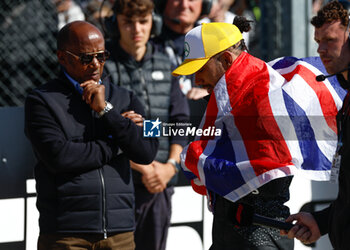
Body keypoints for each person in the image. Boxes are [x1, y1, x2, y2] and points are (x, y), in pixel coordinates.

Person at [24, 20, 158, 250]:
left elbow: (148, 150)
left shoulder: (127, 96)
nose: (96, 64)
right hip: (65, 234)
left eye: (102, 55)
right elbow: (60, 157)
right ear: (62, 57)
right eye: (86, 58)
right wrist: (116, 143)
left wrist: (107, 111)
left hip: (120, 232)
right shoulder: (41, 100)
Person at [172, 20, 295, 250]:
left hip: (261, 240)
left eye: (200, 69)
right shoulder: (221, 103)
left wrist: (196, 157)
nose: (196, 80)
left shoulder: (264, 96)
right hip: (229, 237)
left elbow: (271, 178)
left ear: (227, 60)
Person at [103, 1, 190, 250]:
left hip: (159, 186)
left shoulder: (167, 63)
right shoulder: (104, 67)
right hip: (119, 185)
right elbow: (101, 129)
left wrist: (170, 167)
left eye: (143, 21)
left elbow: (180, 122)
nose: (136, 29)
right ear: (115, 25)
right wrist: (145, 167)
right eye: (128, 22)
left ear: (154, 23)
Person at [281, 1, 350, 249]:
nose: (320, 49)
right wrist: (321, 222)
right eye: (317, 40)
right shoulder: (346, 102)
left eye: (330, 40)